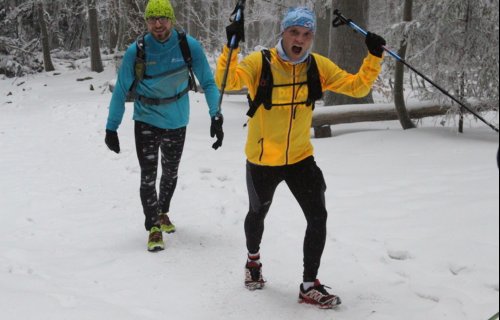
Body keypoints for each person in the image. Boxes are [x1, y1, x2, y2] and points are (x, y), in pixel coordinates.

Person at [216, 7, 386, 308]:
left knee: (318, 216)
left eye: (307, 35)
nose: (301, 39)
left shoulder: (317, 67)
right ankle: (253, 261)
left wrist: (373, 57)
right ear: (283, 33)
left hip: (299, 157)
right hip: (262, 159)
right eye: (295, 32)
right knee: (258, 214)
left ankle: (309, 285)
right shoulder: (261, 63)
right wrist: (232, 48)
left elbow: (357, 88)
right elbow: (227, 83)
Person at [105, 0, 223, 252]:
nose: (158, 24)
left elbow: (209, 84)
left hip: (177, 120)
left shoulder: (187, 46)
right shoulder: (136, 50)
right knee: (148, 175)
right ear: (146, 22)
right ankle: (153, 227)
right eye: (152, 19)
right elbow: (121, 90)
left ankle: (163, 211)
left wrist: (216, 115)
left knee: (170, 172)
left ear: (172, 19)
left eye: (163, 18)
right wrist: (111, 127)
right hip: (146, 119)